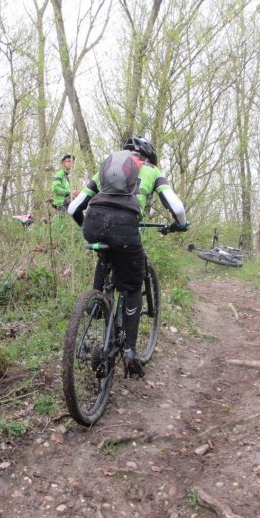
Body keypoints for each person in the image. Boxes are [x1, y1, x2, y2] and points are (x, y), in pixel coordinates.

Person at [67, 137, 187, 378]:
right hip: (124, 228)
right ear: (148, 157)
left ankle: (96, 304)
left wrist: (86, 229)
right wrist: (180, 224)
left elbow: (73, 208)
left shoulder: (106, 167)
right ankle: (130, 352)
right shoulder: (152, 170)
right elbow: (177, 207)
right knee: (132, 286)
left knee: (105, 255)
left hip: (94, 223)